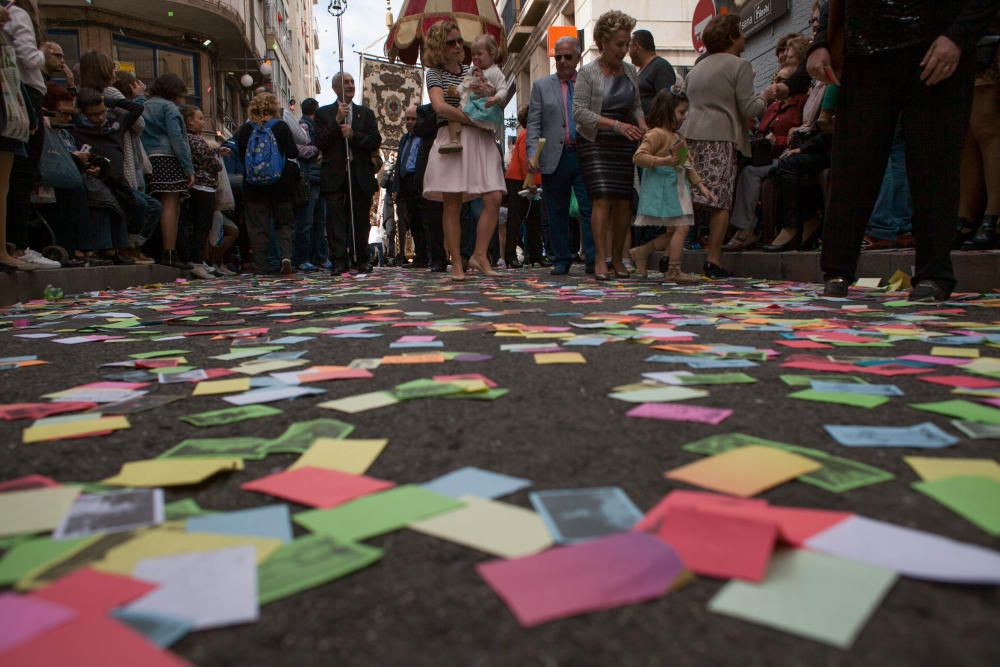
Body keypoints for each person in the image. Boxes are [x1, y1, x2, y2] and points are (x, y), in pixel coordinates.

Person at [809, 0, 1000, 301]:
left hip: (936, 43)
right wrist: (820, 43)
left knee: (934, 161)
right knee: (852, 162)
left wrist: (958, 35)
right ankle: (837, 268)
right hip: (865, 51)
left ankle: (933, 272)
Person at [681, 13, 774, 278]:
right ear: (732, 37)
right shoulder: (739, 65)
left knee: (690, 198)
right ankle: (714, 259)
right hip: (720, 136)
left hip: (691, 136)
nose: (744, 36)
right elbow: (748, 107)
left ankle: (672, 256)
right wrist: (766, 96)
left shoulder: (697, 68)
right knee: (719, 201)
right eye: (741, 32)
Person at [421, 21, 506, 280]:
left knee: (494, 198)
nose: (459, 46)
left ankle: (479, 254)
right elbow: (439, 107)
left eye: (460, 41)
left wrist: (490, 97)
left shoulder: (473, 70)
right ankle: (456, 263)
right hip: (452, 138)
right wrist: (474, 119)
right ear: (439, 47)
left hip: (481, 139)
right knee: (452, 204)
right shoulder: (433, 73)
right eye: (451, 42)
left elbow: (490, 98)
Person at [574, 10, 647, 281]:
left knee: (624, 201)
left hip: (625, 141)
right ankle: (601, 259)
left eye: (627, 44)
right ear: (603, 42)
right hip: (595, 141)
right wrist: (615, 125)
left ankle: (618, 258)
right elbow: (579, 112)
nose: (624, 50)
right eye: (619, 44)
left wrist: (643, 125)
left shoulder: (629, 71)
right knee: (602, 198)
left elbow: (636, 105)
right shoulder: (588, 73)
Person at [527, 35, 596, 276]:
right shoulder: (541, 86)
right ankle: (561, 259)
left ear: (578, 57)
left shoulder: (588, 83)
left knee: (589, 209)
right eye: (559, 57)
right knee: (556, 211)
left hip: (585, 154)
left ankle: (592, 258)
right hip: (554, 157)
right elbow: (534, 124)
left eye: (568, 57)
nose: (563, 61)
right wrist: (532, 156)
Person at [630, 88, 711, 282]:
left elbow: (687, 164)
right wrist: (663, 161)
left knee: (676, 229)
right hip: (666, 189)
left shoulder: (678, 137)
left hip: (677, 189)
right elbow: (639, 156)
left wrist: (700, 185)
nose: (684, 117)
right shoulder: (656, 134)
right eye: (681, 112)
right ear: (668, 111)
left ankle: (642, 252)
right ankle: (673, 269)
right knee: (681, 227)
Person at [724, 76, 806, 251]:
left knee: (753, 172)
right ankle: (744, 228)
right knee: (746, 171)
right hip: (767, 157)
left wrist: (780, 141)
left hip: (789, 155)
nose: (776, 85)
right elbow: (761, 132)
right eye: (775, 80)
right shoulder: (773, 107)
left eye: (782, 80)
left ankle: (748, 230)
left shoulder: (801, 103)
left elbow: (801, 133)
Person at [315, 71, 382, 274]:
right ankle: (339, 260)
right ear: (336, 88)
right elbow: (320, 142)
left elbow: (374, 140)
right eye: (346, 83)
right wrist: (336, 122)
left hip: (359, 174)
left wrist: (354, 135)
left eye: (352, 82)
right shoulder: (323, 113)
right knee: (335, 220)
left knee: (361, 220)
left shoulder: (366, 114)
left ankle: (361, 258)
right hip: (335, 175)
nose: (351, 85)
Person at [3, 0, 48, 269]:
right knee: (20, 176)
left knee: (15, 177)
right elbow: (30, 59)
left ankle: (13, 245)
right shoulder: (18, 14)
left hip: (17, 94)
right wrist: (43, 52)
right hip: (23, 95)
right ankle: (17, 245)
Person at [235, 92, 297, 275]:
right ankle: (285, 257)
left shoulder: (245, 130)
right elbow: (293, 152)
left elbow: (241, 158)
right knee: (283, 224)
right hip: (281, 185)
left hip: (253, 187)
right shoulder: (281, 127)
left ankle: (260, 265)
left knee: (257, 227)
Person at [141, 72, 194, 268]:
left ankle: (154, 249)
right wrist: (188, 168)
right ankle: (170, 252)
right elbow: (177, 139)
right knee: (171, 205)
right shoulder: (170, 108)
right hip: (168, 158)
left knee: (155, 203)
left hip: (148, 158)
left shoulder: (144, 105)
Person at [957, 26, 999, 249]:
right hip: (966, 37)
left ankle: (991, 217)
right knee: (967, 131)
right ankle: (968, 216)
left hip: (987, 33)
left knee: (985, 127)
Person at [181, 105, 229, 278]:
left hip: (203, 186)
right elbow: (212, 163)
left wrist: (215, 150)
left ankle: (200, 261)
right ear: (190, 121)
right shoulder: (194, 140)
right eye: (199, 118)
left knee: (203, 226)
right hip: (202, 186)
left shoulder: (192, 139)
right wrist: (215, 157)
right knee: (201, 225)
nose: (202, 122)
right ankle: (196, 262)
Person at [441, 34, 507, 153]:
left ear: (492, 53)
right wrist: (457, 91)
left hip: (485, 106)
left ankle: (457, 141)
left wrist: (496, 98)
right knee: (453, 115)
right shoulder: (472, 70)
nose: (475, 57)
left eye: (479, 54)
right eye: (473, 55)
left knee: (456, 116)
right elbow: (465, 84)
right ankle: (454, 141)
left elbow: (503, 89)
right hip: (472, 104)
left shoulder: (496, 72)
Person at [504, 106, 545, 268]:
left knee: (533, 218)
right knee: (516, 219)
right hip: (520, 180)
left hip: (526, 180)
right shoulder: (528, 135)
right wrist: (532, 182)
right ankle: (511, 255)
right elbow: (524, 160)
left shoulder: (527, 134)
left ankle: (534, 254)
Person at [294, 97, 328, 271]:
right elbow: (300, 150)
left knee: (319, 221)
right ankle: (304, 257)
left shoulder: (312, 126)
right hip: (309, 178)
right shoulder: (305, 126)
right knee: (307, 221)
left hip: (317, 178)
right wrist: (317, 149)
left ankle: (319, 257)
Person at [392, 105, 424, 266]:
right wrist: (396, 187)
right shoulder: (404, 139)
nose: (410, 122)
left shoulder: (424, 138)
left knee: (421, 219)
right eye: (408, 119)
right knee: (411, 220)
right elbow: (399, 164)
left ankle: (425, 255)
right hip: (405, 183)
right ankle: (420, 256)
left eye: (413, 119)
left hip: (417, 182)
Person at [629, 29, 677, 117]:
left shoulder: (661, 67)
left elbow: (666, 103)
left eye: (629, 46)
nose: (628, 51)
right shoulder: (641, 70)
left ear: (637, 46)